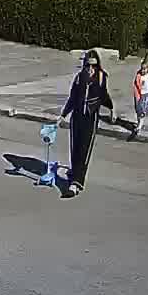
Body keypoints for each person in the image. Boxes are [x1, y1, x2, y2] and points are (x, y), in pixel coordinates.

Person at [59, 51, 114, 197]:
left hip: (90, 117)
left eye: (94, 66)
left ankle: (76, 183)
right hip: (77, 117)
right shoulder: (79, 78)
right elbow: (72, 98)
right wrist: (63, 115)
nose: (91, 69)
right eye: (88, 65)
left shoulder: (101, 77)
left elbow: (104, 96)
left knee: (84, 149)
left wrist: (112, 109)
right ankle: (74, 175)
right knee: (75, 148)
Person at [132, 57, 148, 140]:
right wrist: (136, 95)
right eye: (142, 68)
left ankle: (139, 126)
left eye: (144, 69)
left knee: (143, 111)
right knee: (138, 110)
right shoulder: (139, 76)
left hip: (147, 95)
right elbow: (136, 86)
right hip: (139, 95)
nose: (143, 70)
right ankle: (139, 122)